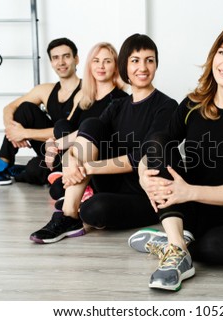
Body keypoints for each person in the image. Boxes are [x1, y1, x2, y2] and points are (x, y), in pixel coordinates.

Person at [128, 22, 223, 291]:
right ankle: (178, 248)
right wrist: (143, 174)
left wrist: (189, 192)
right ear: (214, 56)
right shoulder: (192, 104)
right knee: (158, 140)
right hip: (185, 210)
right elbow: (154, 148)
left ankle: (174, 244)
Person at [29, 33, 178, 244]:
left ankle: (81, 201)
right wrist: (71, 162)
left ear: (156, 64)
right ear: (125, 65)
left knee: (93, 210)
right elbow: (85, 135)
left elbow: (141, 157)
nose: (142, 68)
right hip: (109, 183)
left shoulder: (167, 106)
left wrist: (86, 168)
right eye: (135, 61)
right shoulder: (117, 106)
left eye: (149, 60)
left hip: (142, 192)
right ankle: (68, 215)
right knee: (91, 124)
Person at [0, 38, 82, 187]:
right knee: (25, 108)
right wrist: (13, 131)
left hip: (73, 153)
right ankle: (0, 166)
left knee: (35, 168)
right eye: (55, 58)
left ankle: (18, 171)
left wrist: (24, 133)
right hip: (50, 149)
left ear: (76, 59)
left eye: (66, 56)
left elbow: (69, 132)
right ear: (51, 62)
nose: (61, 62)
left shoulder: (86, 90)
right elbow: (9, 108)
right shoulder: (45, 90)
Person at [45, 42, 128, 204]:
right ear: (89, 65)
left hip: (100, 159)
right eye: (96, 61)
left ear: (116, 67)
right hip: (75, 155)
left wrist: (56, 145)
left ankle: (72, 179)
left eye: (107, 61)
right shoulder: (86, 99)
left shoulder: (120, 100)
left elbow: (90, 131)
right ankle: (68, 174)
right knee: (61, 124)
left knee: (56, 189)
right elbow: (67, 129)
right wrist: (52, 143)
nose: (101, 66)